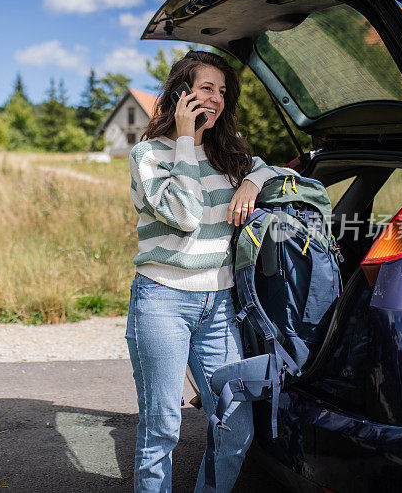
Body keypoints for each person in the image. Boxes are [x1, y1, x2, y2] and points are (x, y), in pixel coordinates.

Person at [126, 50, 287, 492]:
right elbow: (184, 213)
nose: (215, 99)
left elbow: (277, 170)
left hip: (220, 305)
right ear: (181, 94)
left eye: (221, 91)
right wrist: (184, 139)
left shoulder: (230, 155)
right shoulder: (148, 155)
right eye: (205, 89)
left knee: (237, 429)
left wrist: (253, 181)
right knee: (162, 429)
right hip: (163, 301)